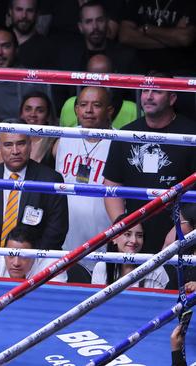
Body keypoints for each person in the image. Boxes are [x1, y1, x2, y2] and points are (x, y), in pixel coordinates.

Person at [103, 73, 196, 254]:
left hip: (179, 228)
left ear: (172, 98)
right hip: (135, 230)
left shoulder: (191, 134)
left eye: (157, 91)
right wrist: (124, 229)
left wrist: (183, 225)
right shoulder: (126, 134)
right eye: (145, 90)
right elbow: (112, 185)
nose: (149, 96)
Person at [0, 132, 68, 251]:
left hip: (37, 264)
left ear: (30, 145)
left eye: (21, 144)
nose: (15, 151)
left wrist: (29, 261)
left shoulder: (50, 179)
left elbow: (56, 230)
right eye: (8, 145)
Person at [55, 87, 113, 270]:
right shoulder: (66, 136)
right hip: (67, 239)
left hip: (103, 238)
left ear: (109, 111)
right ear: (76, 109)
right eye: (83, 105)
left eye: (96, 105)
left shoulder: (119, 141)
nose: (88, 110)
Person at [91, 214, 169, 289]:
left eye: (139, 236)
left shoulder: (156, 269)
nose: (134, 241)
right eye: (127, 234)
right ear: (114, 238)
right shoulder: (101, 267)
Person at [0, 225, 67, 282]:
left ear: (35, 255)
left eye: (23, 256)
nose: (16, 263)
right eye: (11, 255)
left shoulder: (53, 267)